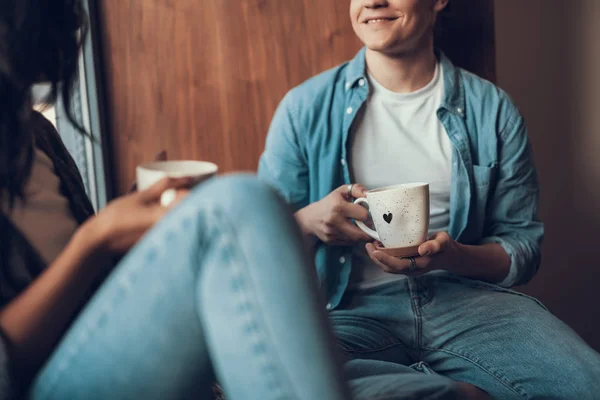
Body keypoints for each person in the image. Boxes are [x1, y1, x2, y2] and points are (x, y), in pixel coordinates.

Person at [1, 1, 474, 399]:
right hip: (46, 379)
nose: (73, 19)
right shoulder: (306, 105)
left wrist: (138, 242)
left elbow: (519, 246)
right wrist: (98, 237)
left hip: (455, 305)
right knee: (238, 201)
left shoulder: (34, 132)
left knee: (452, 394)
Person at [258, 0, 600, 398]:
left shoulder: (492, 110)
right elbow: (261, 254)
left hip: (469, 308)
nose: (372, 2)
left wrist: (451, 255)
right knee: (275, 378)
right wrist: (307, 222)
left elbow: (522, 249)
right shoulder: (305, 108)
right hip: (348, 312)